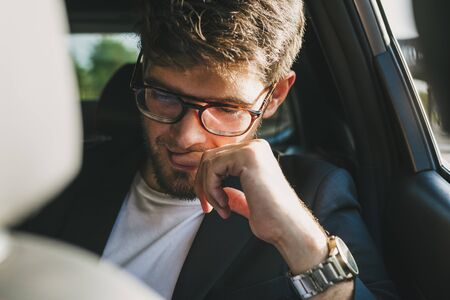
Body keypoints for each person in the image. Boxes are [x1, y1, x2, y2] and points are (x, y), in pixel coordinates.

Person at [18, 1, 398, 299]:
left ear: (274, 95)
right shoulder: (62, 176)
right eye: (164, 95)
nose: (185, 137)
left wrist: (301, 243)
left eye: (226, 108)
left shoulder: (317, 191)